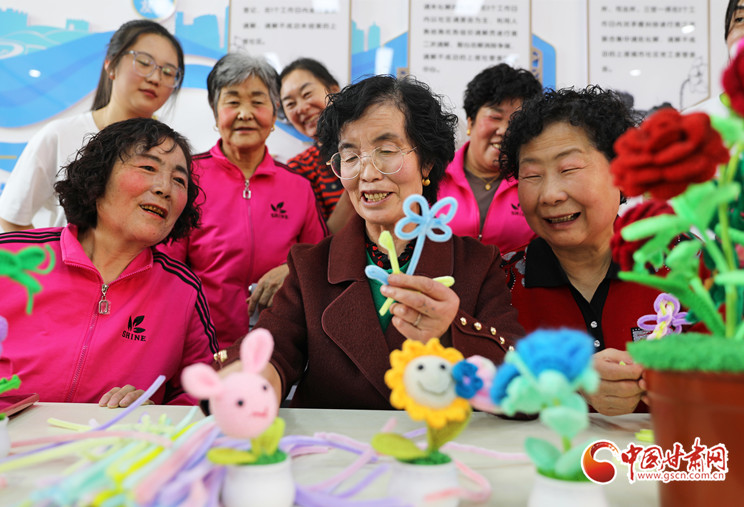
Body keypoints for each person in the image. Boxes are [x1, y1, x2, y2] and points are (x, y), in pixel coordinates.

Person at [213, 75, 525, 410]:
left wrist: (451, 332)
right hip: (338, 443)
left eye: (386, 151)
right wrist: (251, 382)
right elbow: (272, 349)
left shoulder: (477, 263)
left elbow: (521, 389)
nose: (368, 173)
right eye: (350, 156)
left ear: (427, 163)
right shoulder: (311, 266)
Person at [0, 118, 215, 407]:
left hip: (116, 437)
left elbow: (203, 394)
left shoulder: (183, 291)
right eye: (148, 168)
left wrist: (155, 415)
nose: (165, 188)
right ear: (99, 176)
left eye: (179, 180)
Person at [498, 86, 661, 416]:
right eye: (531, 175)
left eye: (569, 169)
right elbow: (483, 386)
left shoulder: (685, 266)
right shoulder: (501, 284)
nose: (550, 195)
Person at [161, 53, 327, 351]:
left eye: (258, 101)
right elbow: (165, 269)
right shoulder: (186, 178)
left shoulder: (298, 186)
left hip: (280, 349)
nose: (245, 113)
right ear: (216, 113)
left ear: (274, 115)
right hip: (201, 347)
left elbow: (320, 260)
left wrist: (294, 268)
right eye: (233, 101)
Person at [0, 20, 185, 231]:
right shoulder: (61, 135)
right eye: (144, 62)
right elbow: (12, 216)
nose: (155, 78)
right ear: (111, 64)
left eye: (168, 72)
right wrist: (50, 254)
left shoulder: (173, 153)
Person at [438, 64, 542, 254]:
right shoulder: (434, 175)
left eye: (517, 121)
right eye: (495, 117)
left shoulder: (536, 182)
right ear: (471, 122)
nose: (505, 130)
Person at [280, 58, 354, 233]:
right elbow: (319, 239)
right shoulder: (299, 168)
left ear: (334, 90)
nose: (301, 108)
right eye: (290, 104)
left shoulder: (374, 144)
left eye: (306, 94)